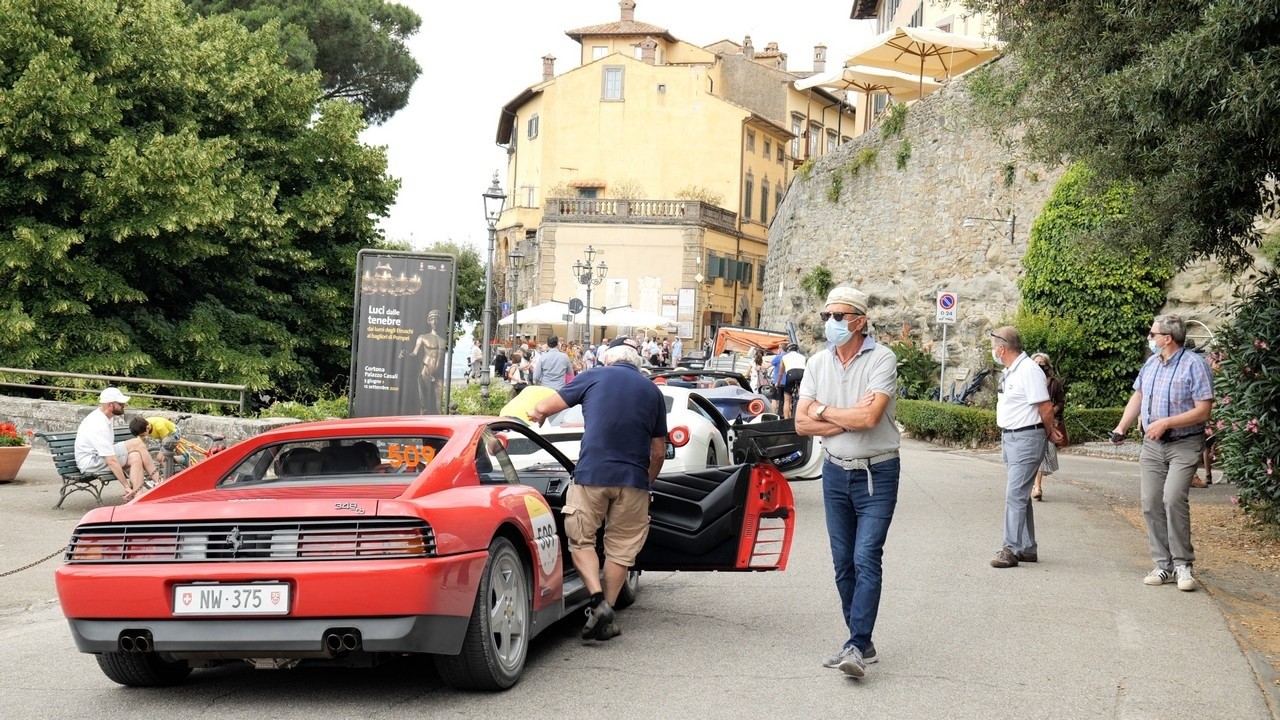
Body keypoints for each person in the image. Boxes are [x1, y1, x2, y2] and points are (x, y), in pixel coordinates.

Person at [529, 337, 667, 641]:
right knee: (620, 548)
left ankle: (595, 599)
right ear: (637, 363)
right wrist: (647, 482)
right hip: (632, 480)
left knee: (581, 540)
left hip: (592, 474)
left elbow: (545, 405)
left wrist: (538, 413)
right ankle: (606, 611)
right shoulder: (652, 391)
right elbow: (658, 451)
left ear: (607, 360)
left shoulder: (593, 376)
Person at [794, 286, 901, 679]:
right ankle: (861, 640)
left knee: (866, 556)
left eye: (839, 316)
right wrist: (841, 416)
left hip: (878, 473)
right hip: (835, 471)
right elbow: (801, 423)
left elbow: (870, 419)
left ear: (860, 320)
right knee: (843, 564)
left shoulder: (882, 359)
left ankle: (856, 643)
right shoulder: (818, 363)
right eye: (827, 317)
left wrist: (823, 413)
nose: (831, 323)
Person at [1110, 314, 1214, 592]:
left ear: (1167, 338)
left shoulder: (1195, 365)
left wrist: (1167, 422)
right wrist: (1121, 427)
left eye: (1153, 334)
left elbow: (1204, 410)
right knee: (1151, 501)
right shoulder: (1151, 363)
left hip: (1185, 443)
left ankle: (1183, 564)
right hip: (1153, 446)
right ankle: (1162, 565)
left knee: (1173, 498)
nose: (1150, 338)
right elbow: (1139, 396)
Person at [989, 327, 1066, 570]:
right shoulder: (1012, 370)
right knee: (1020, 495)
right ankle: (1027, 547)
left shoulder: (1028, 370)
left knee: (1014, 495)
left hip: (1026, 438)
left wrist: (1046, 432)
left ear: (1002, 348)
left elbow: (1045, 407)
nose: (992, 351)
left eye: (993, 347)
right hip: (1012, 437)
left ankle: (1010, 548)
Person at [73, 388, 158, 501]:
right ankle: (159, 481)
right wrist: (126, 486)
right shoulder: (98, 424)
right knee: (137, 443)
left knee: (135, 456)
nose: (124, 405)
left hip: (97, 458)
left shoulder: (106, 417)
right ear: (110, 405)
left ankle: (138, 496)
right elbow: (111, 460)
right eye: (120, 403)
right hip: (91, 462)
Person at [1030, 353, 1066, 501]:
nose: (1039, 365)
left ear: (1047, 365)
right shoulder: (1028, 380)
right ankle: (1034, 486)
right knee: (1032, 456)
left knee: (1042, 455)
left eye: (1041, 363)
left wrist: (1053, 410)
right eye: (1036, 362)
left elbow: (1061, 402)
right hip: (1030, 422)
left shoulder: (1054, 383)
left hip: (1047, 422)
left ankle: (1037, 486)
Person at [403, 308, 445, 414]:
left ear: (439, 320)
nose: (434, 321)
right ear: (428, 321)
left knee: (439, 407)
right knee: (424, 405)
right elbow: (414, 353)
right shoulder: (423, 337)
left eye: (436, 318)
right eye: (432, 319)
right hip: (426, 371)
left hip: (439, 373)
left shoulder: (444, 340)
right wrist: (406, 354)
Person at [780, 343, 807, 419]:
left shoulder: (784, 357)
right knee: (802, 397)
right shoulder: (803, 357)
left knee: (787, 399)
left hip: (791, 374)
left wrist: (778, 383)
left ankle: (786, 419)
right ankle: (802, 417)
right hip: (803, 374)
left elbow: (780, 373)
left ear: (788, 350)